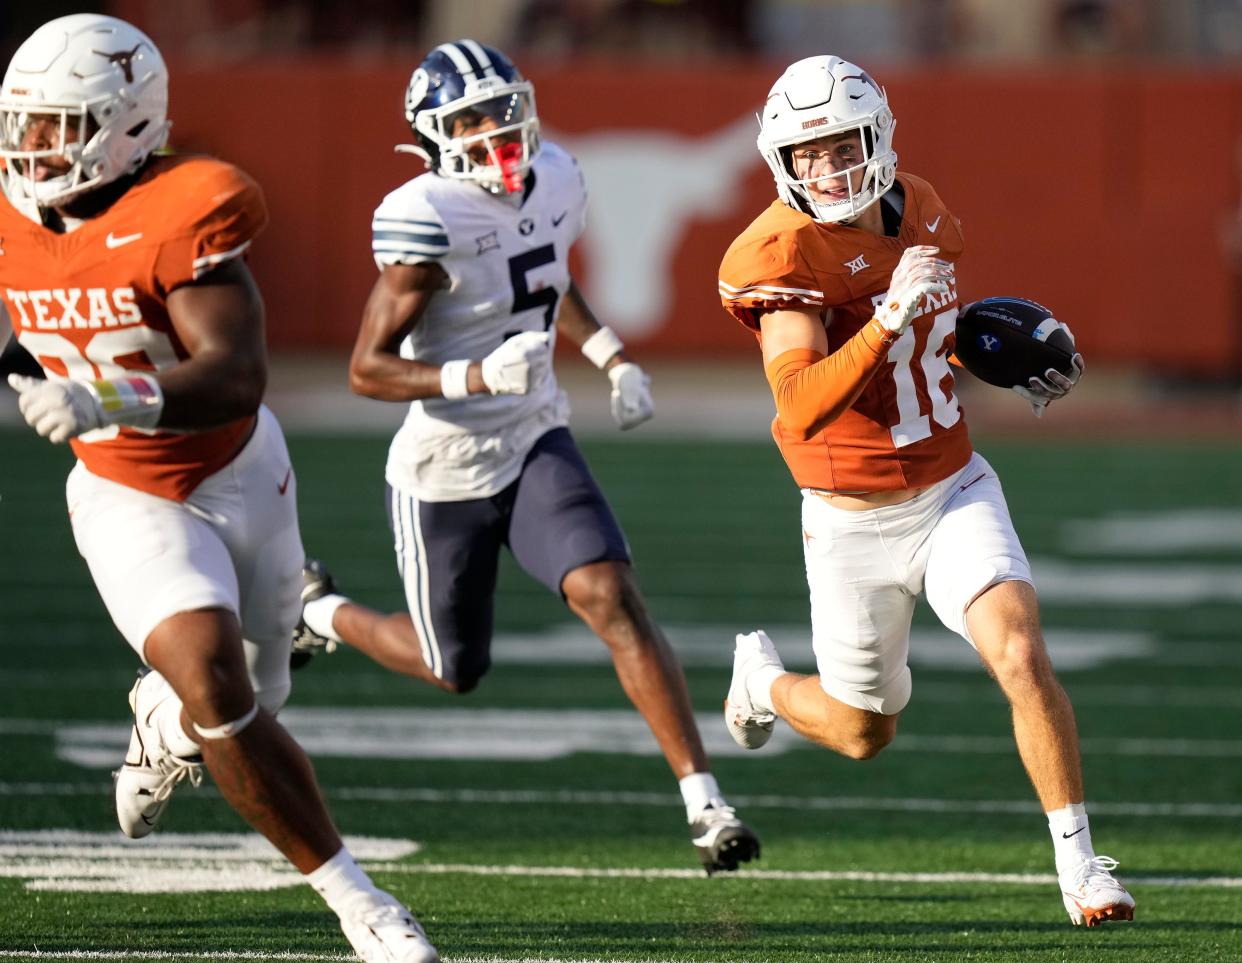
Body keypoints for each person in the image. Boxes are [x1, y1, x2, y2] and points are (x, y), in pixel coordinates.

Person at [0, 15, 438, 962]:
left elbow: (235, 373)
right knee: (219, 684)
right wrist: (31, 375)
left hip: (240, 469)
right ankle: (361, 902)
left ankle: (159, 722)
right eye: (22, 124)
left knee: (247, 700)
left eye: (56, 127)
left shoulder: (185, 207)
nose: (31, 149)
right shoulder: (8, 220)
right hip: (123, 490)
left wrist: (97, 392)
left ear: (127, 125)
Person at [290, 39, 759, 875]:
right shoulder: (426, 215)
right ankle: (319, 613)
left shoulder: (560, 175)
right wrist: (471, 372)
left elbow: (545, 280)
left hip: (535, 432)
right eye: (469, 119)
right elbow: (365, 368)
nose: (496, 130)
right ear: (432, 137)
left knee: (610, 592)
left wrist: (612, 354)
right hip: (444, 465)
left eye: (502, 108)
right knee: (453, 667)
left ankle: (705, 803)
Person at [717, 54, 1134, 926]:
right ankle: (760, 683)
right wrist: (889, 317)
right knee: (863, 733)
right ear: (780, 160)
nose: (825, 170)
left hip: (951, 490)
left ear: (877, 140)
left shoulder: (927, 207)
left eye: (840, 148)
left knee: (1019, 651)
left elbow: (926, 353)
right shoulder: (778, 250)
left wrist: (1002, 364)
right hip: (847, 518)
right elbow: (798, 405)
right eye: (807, 155)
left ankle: (1082, 866)